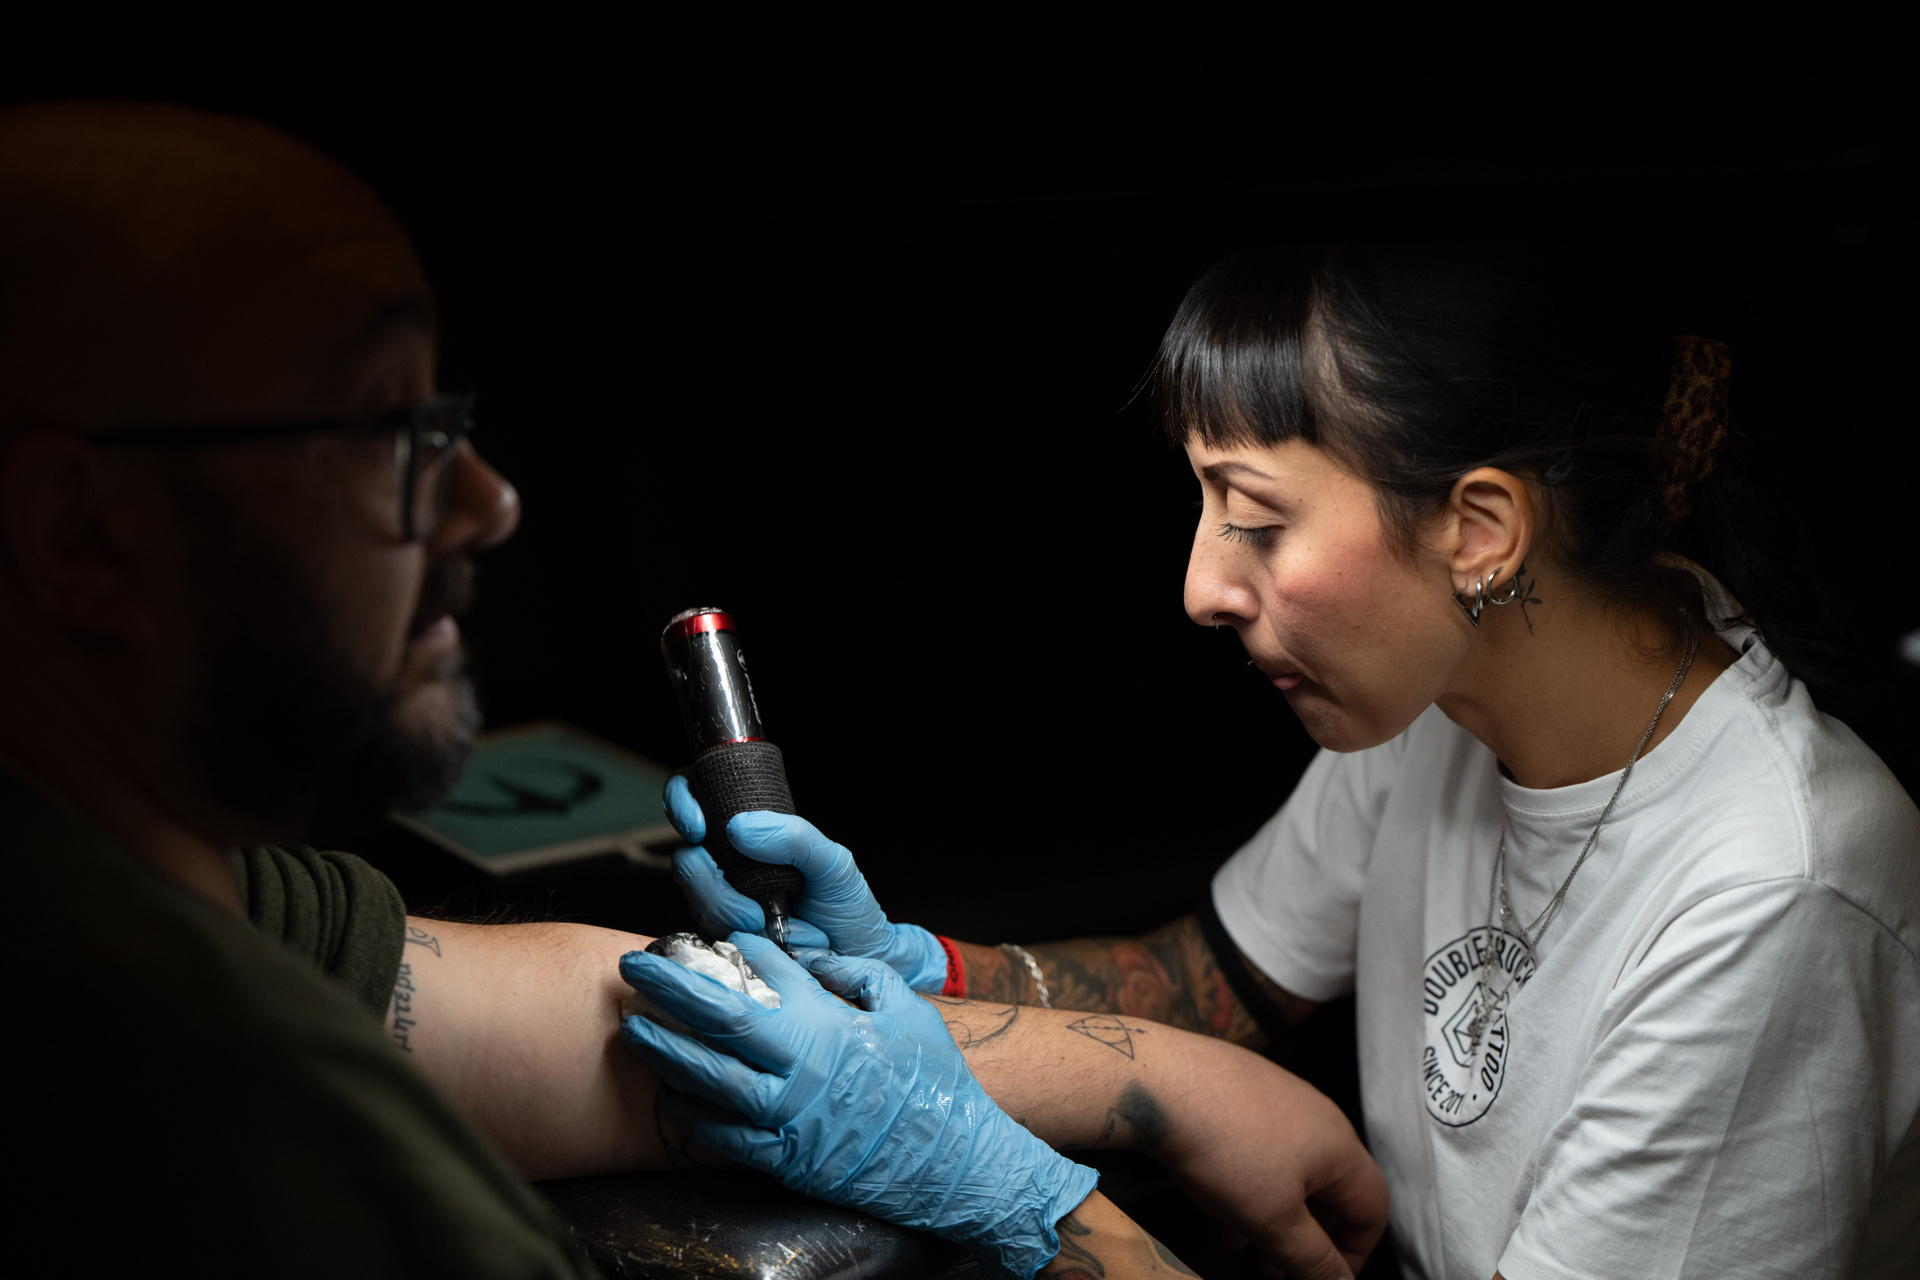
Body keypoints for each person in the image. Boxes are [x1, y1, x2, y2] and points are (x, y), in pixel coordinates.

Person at [0, 101, 1384, 1278]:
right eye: (389, 428)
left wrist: (1154, 1076)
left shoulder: (188, 903)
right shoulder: (239, 1146)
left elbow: (551, 1017)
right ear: (78, 534)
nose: (488, 501)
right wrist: (1041, 1200)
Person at [647, 244, 1920, 1279]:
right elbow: (1212, 978)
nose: (1202, 586)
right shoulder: (1450, 685)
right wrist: (922, 966)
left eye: (1256, 519)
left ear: (1480, 529)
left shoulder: (1773, 891)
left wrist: (1011, 1195)